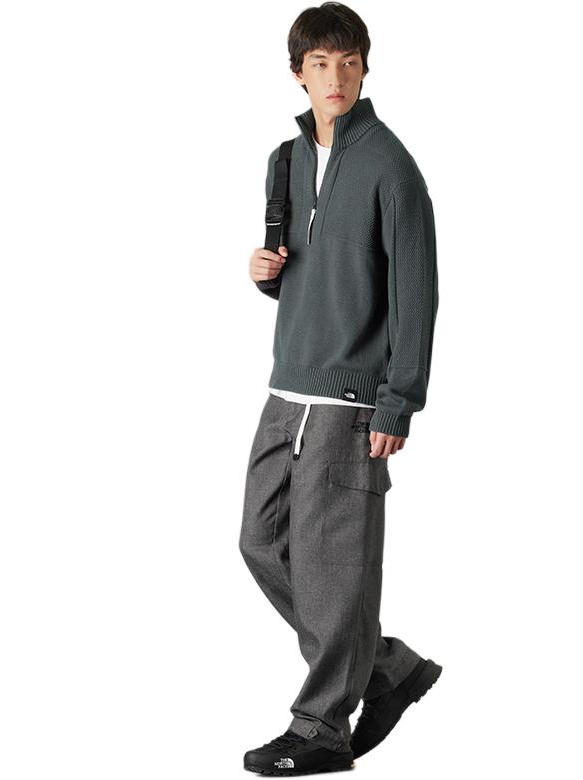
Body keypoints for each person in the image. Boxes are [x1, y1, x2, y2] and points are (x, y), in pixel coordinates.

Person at [239, 3, 440, 775]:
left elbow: (415, 296)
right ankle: (384, 665)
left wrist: (399, 401)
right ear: (298, 72)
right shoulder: (285, 160)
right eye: (320, 64)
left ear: (364, 68)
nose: (335, 77)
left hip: (352, 403)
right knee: (260, 542)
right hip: (286, 387)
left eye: (348, 62)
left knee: (332, 571)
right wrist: (266, 271)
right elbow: (300, 264)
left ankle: (322, 726)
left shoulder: (392, 168)